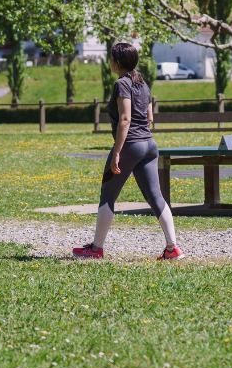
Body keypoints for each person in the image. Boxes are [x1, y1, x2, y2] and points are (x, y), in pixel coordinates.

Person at [72, 42, 183, 260]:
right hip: (149, 145)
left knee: (108, 196)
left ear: (117, 62)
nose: (109, 61)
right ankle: (173, 248)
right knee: (156, 197)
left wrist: (117, 153)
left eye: (111, 57)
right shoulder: (143, 83)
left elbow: (125, 119)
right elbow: (149, 118)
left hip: (130, 146)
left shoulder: (121, 84)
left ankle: (95, 249)